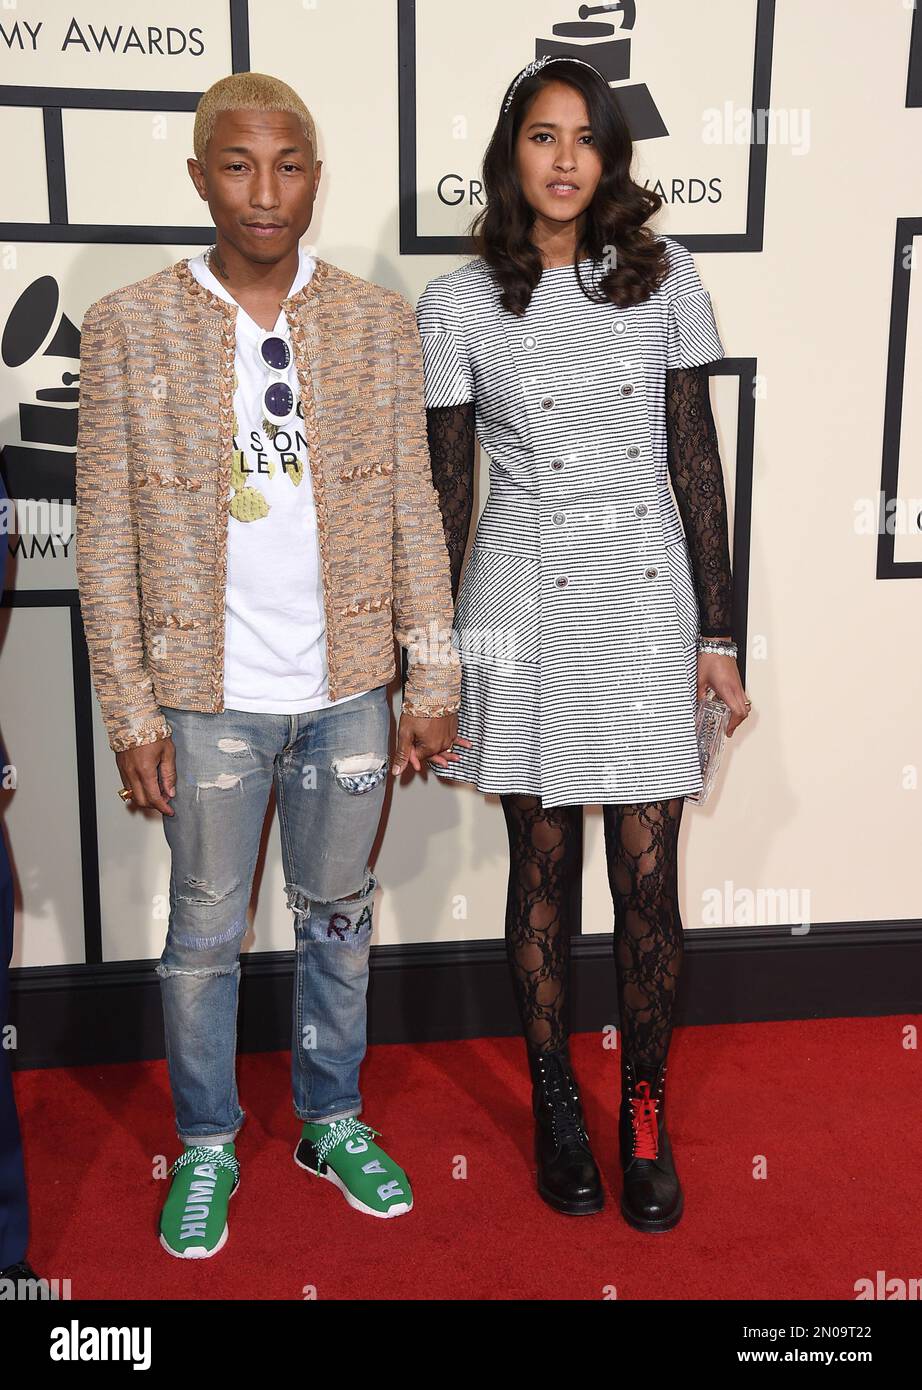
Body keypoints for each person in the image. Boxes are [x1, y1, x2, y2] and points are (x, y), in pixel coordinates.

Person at [74, 72, 461, 1259]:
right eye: (238, 165)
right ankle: (204, 1141)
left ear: (314, 175)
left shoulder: (372, 323)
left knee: (338, 917)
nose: (265, 191)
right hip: (205, 705)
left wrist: (431, 678)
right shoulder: (129, 326)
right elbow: (103, 538)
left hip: (348, 692)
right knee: (203, 931)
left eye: (288, 164)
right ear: (200, 176)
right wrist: (130, 708)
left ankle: (328, 1118)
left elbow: (413, 508)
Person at [417, 55, 752, 1232]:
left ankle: (643, 1107)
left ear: (610, 160)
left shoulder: (666, 280)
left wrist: (719, 632)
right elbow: (445, 496)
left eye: (585, 139)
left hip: (646, 587)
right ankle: (560, 1098)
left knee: (648, 878)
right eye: (541, 136)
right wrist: (430, 657)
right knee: (541, 871)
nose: (564, 159)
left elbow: (695, 465)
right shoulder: (456, 305)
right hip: (522, 590)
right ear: (512, 154)